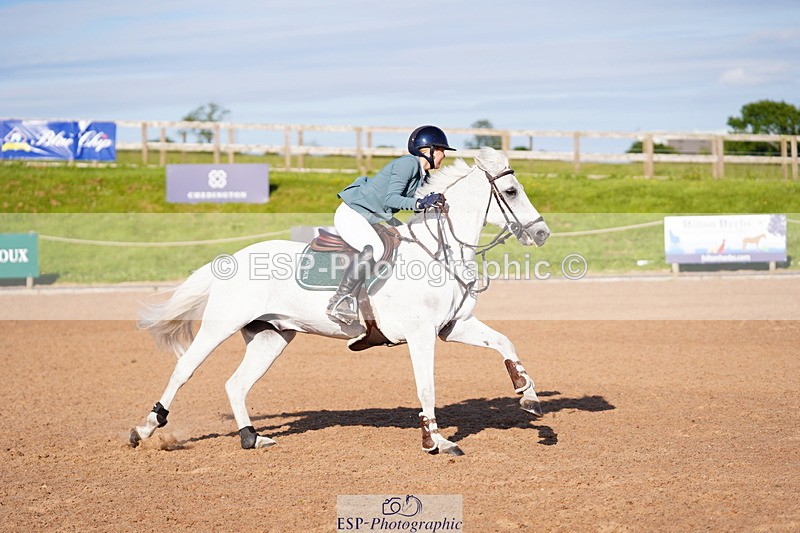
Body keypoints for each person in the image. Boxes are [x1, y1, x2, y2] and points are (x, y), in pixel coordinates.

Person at [326, 125, 456, 324]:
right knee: (374, 249)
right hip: (354, 213)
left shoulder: (423, 176)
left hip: (374, 216)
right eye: (441, 150)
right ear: (427, 150)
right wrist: (420, 202)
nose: (444, 155)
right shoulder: (408, 164)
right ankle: (339, 300)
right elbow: (391, 199)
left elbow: (413, 206)